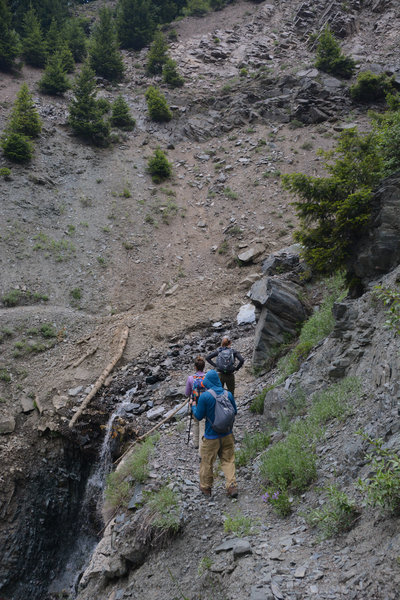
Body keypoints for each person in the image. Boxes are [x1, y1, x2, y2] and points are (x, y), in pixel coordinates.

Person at [190, 369, 238, 498]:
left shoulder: (205, 396)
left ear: (208, 382)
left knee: (207, 461)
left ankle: (206, 488)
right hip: (227, 434)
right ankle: (231, 486)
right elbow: (235, 411)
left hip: (211, 436)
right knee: (228, 460)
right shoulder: (228, 394)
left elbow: (199, 416)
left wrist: (193, 405)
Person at [185, 356, 206, 453]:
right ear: (203, 367)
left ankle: (196, 444)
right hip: (206, 403)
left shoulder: (190, 378)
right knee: (203, 424)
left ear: (195, 367)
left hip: (195, 403)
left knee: (196, 422)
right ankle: (202, 445)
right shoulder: (207, 377)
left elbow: (187, 393)